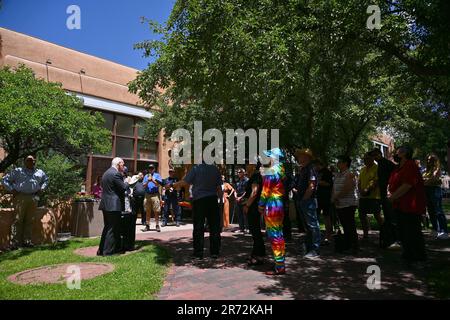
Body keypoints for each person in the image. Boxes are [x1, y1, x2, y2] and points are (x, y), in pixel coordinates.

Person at [174, 163, 222, 260]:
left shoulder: (196, 168)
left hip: (199, 201)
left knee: (198, 227)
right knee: (214, 228)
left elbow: (185, 182)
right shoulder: (215, 169)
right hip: (213, 200)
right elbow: (219, 188)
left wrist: (173, 184)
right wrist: (220, 202)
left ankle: (198, 253)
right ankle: (215, 252)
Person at [388, 146, 427, 265]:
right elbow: (392, 183)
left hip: (410, 204)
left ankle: (419, 257)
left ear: (404, 153)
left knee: (412, 231)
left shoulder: (410, 165)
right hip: (399, 205)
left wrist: (392, 197)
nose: (395, 153)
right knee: (403, 231)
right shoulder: (397, 168)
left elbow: (407, 185)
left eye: (397, 152)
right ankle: (408, 254)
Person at [2, 155, 49, 249]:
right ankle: (15, 243)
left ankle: (27, 241)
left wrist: (42, 188)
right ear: (24, 161)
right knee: (18, 220)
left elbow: (46, 180)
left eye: (32, 160)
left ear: (35, 161)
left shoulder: (40, 172)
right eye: (28, 160)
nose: (31, 162)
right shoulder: (18, 171)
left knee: (30, 220)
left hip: (33, 197)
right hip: (20, 197)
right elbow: (5, 180)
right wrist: (11, 189)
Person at [259, 148, 286, 275]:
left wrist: (260, 205)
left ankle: (279, 266)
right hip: (279, 204)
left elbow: (265, 191)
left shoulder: (272, 171)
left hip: (272, 205)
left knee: (274, 235)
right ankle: (279, 262)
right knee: (279, 234)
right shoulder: (281, 169)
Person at [97, 157, 128, 256]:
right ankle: (108, 252)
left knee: (107, 227)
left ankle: (101, 250)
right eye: (122, 164)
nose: (123, 166)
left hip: (105, 204)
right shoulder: (116, 174)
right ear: (118, 164)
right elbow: (123, 187)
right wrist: (127, 181)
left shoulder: (106, 173)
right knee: (112, 229)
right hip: (113, 205)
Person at [293, 148, 320, 258]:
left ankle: (315, 249)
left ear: (306, 157)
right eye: (298, 156)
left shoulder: (310, 169)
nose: (299, 158)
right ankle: (309, 247)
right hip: (303, 200)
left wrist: (304, 198)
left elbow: (311, 186)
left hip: (308, 201)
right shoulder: (303, 169)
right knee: (308, 226)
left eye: (301, 156)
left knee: (312, 225)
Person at [332, 155, 359, 255]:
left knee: (349, 225)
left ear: (345, 163)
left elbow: (348, 188)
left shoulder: (350, 174)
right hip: (340, 204)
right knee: (345, 225)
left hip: (349, 204)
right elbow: (335, 188)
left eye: (340, 161)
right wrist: (334, 199)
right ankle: (347, 245)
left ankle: (354, 246)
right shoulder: (338, 175)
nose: (337, 163)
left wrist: (336, 197)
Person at [358, 152, 384, 240]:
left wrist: (367, 189)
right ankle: (365, 235)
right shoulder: (362, 169)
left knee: (377, 215)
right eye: (364, 159)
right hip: (363, 197)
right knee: (362, 215)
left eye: (367, 159)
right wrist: (360, 191)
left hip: (374, 197)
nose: (365, 160)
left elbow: (376, 181)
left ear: (372, 159)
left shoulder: (377, 168)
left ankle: (384, 233)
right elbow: (359, 182)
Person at [423, 153, 448, 239]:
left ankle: (444, 231)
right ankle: (435, 229)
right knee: (430, 211)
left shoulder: (437, 169)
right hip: (427, 191)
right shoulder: (426, 170)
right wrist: (426, 180)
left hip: (435, 191)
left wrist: (425, 180)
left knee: (438, 210)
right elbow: (425, 180)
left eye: (431, 160)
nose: (429, 161)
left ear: (435, 161)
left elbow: (433, 179)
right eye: (428, 160)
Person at [370, 149, 396, 225]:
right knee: (387, 213)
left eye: (375, 155)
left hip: (388, 192)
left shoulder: (386, 163)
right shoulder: (380, 164)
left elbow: (394, 176)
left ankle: (393, 232)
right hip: (383, 192)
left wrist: (390, 187)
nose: (374, 157)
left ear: (380, 154)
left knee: (390, 214)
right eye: (373, 156)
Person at [313, 159, 333, 244]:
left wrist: (317, 182)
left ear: (319, 164)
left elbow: (329, 184)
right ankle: (316, 236)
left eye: (315, 165)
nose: (314, 167)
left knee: (326, 216)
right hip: (317, 197)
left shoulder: (327, 172)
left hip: (325, 197)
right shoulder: (316, 172)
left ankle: (328, 236)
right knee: (315, 216)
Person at [143, 164, 163, 232]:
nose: (150, 169)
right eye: (149, 168)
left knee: (156, 211)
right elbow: (144, 185)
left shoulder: (157, 175)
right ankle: (147, 225)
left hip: (155, 195)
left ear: (154, 169)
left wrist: (152, 180)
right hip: (147, 195)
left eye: (152, 168)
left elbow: (158, 185)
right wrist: (148, 181)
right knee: (147, 211)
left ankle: (157, 225)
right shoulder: (146, 176)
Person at [234, 168, 249, 233]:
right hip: (237, 198)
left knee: (245, 214)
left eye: (239, 172)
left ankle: (247, 228)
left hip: (244, 198)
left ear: (243, 172)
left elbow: (247, 191)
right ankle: (241, 228)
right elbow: (235, 190)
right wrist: (235, 196)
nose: (238, 173)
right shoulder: (237, 181)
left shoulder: (247, 180)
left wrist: (240, 197)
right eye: (237, 172)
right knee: (239, 214)